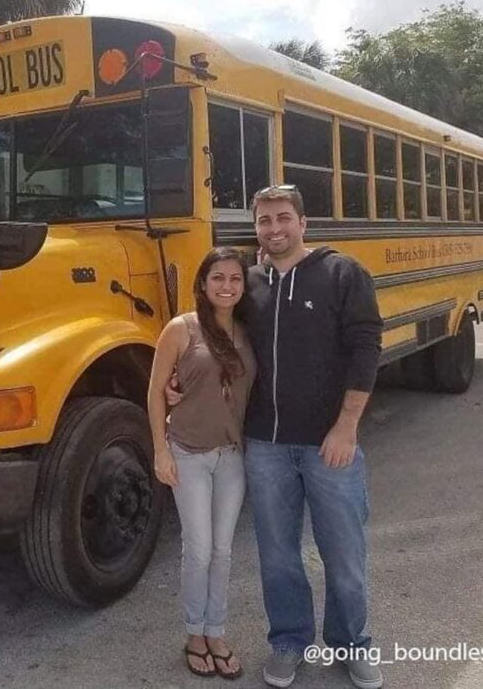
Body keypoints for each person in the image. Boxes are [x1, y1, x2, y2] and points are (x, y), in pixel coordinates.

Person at [242, 185, 384, 689]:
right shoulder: (249, 282)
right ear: (255, 228)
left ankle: (352, 644)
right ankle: (288, 642)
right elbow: (218, 340)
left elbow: (367, 348)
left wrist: (346, 427)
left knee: (345, 554)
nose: (274, 228)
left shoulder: (341, 273)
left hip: (330, 445)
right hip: (265, 445)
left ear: (304, 222)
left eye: (283, 217)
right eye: (264, 221)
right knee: (277, 555)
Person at [148, 246, 257, 680]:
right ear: (203, 283)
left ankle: (216, 631)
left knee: (223, 551)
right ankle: (194, 633)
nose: (227, 286)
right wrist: (160, 450)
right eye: (218, 278)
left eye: (235, 279)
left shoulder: (248, 332)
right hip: (188, 453)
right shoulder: (181, 329)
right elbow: (156, 391)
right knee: (198, 549)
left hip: (232, 456)